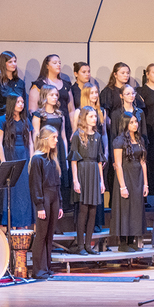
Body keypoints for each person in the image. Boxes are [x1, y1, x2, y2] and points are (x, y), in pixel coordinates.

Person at [69, 106, 105, 255]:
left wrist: (102, 181)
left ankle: (89, 246)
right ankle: (80, 246)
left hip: (94, 173)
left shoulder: (97, 136)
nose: (94, 119)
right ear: (84, 118)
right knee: (83, 210)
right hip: (83, 171)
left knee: (93, 211)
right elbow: (73, 160)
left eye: (95, 116)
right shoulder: (78, 135)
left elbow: (99, 160)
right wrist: (75, 180)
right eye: (91, 116)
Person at [28, 126, 62, 279]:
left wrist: (59, 203)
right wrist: (40, 205)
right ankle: (38, 270)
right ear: (45, 139)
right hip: (44, 198)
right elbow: (35, 185)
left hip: (54, 197)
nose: (56, 140)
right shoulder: (37, 159)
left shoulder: (52, 158)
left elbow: (57, 183)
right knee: (41, 235)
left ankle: (47, 267)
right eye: (53, 137)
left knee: (49, 235)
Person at [31, 83, 71, 213]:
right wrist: (36, 153)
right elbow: (36, 135)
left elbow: (64, 136)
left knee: (58, 180)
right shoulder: (38, 115)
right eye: (52, 95)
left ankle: (58, 213)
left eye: (56, 95)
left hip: (58, 148)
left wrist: (65, 156)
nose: (55, 97)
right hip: (44, 151)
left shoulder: (60, 114)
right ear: (45, 97)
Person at [111, 114, 148, 252]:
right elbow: (118, 165)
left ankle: (132, 241)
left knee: (136, 208)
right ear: (125, 124)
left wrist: (146, 183)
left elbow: (143, 162)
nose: (135, 124)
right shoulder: (119, 141)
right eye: (132, 122)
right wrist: (122, 186)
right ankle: (123, 243)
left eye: (136, 122)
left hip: (137, 177)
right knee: (125, 208)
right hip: (125, 176)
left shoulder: (139, 140)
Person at [0, 51, 27, 168]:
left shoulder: (20, 83)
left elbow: (24, 105)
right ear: (3, 64)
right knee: (0, 158)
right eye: (10, 62)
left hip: (17, 124)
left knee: (16, 157)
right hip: (2, 124)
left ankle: (16, 186)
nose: (14, 64)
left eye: (15, 61)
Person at [27, 55, 75, 137]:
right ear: (47, 66)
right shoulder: (38, 85)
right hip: (46, 126)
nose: (58, 65)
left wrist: (74, 130)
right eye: (55, 63)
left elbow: (71, 110)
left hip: (64, 126)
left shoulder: (66, 85)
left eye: (59, 63)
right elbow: (33, 111)